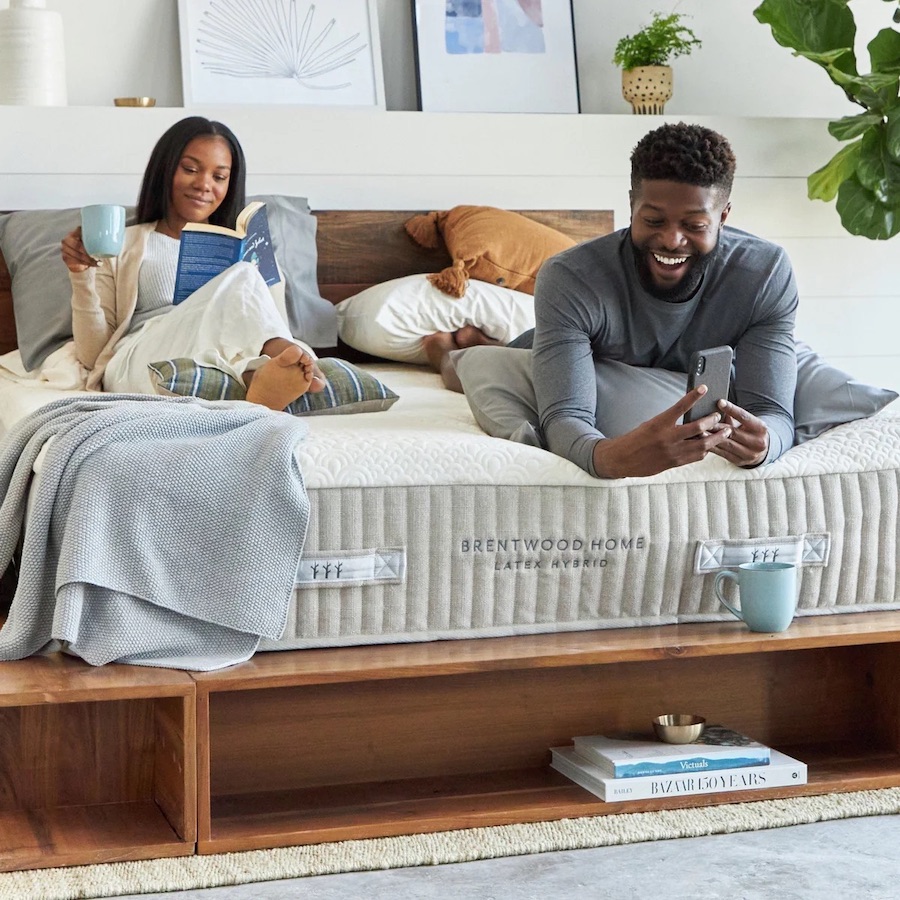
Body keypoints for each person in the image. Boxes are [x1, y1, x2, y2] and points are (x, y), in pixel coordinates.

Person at [427, 122, 798, 479]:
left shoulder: (765, 273)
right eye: (653, 220)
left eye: (695, 226)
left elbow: (774, 412)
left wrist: (766, 444)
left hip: (668, 358)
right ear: (632, 205)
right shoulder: (572, 276)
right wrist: (608, 458)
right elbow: (565, 415)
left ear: (724, 217)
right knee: (472, 366)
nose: (672, 240)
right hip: (587, 352)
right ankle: (448, 351)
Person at [60, 116, 325, 411]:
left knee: (246, 278)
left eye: (219, 177)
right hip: (141, 356)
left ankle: (256, 379)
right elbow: (92, 353)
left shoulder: (248, 249)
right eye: (190, 169)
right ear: (166, 169)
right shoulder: (125, 243)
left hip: (216, 353)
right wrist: (80, 277)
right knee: (244, 277)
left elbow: (271, 323)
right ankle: (285, 358)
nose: (203, 185)